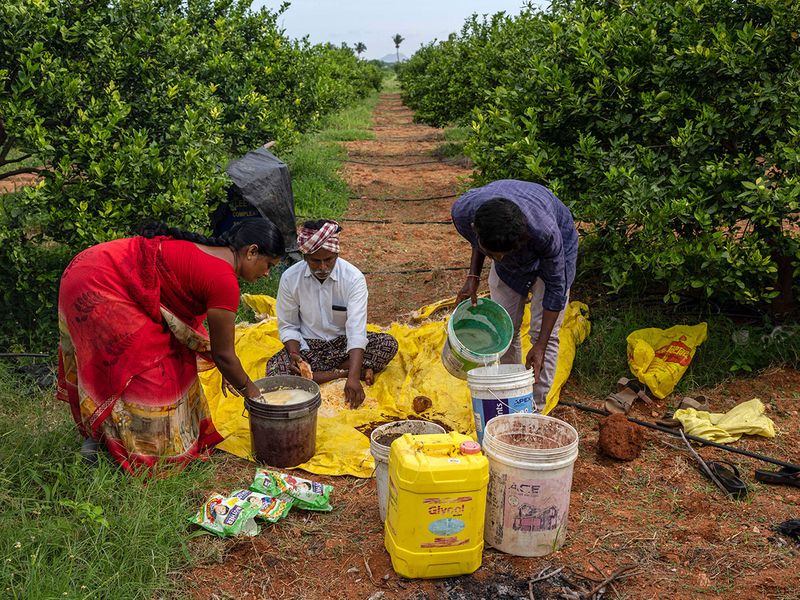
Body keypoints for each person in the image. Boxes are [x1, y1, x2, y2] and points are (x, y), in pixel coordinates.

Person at [57, 220, 285, 473]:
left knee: (177, 363)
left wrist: (228, 370)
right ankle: (134, 454)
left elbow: (213, 348)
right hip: (98, 283)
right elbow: (224, 355)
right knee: (146, 373)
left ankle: (107, 441)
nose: (267, 274)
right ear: (251, 251)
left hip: (95, 269)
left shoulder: (215, 258)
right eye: (269, 265)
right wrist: (253, 393)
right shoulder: (224, 280)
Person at [451, 180, 578, 411]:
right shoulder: (463, 213)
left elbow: (556, 289)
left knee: (544, 336)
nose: (498, 260)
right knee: (504, 330)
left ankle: (534, 409)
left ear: (521, 239)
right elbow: (477, 239)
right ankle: (511, 395)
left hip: (555, 248)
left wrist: (539, 345)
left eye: (503, 254)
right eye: (494, 255)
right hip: (506, 245)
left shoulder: (545, 233)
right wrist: (473, 277)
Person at [266, 219, 398, 408]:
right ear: (304, 257)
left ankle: (319, 376)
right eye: (315, 261)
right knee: (275, 370)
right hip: (307, 348)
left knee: (387, 344)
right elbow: (288, 325)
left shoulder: (353, 279)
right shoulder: (290, 278)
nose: (323, 267)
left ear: (337, 253)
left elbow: (356, 331)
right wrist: (296, 356)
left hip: (342, 345)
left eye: (328, 260)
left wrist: (352, 380)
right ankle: (344, 371)